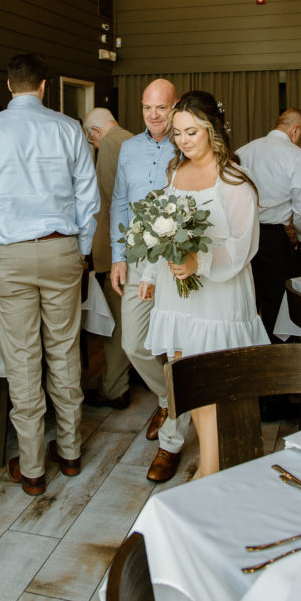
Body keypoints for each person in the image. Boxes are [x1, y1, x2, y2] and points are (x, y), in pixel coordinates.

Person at [0, 54, 99, 495]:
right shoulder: (67, 128)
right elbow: (87, 194)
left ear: (8, 86)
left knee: (22, 360)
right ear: (43, 86)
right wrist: (80, 248)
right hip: (61, 249)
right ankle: (72, 453)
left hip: (9, 254)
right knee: (64, 351)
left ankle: (35, 467)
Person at [138, 92, 269, 477]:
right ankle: (210, 464)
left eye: (191, 132)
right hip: (178, 297)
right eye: (177, 133)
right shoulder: (175, 173)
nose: (182, 140)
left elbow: (244, 246)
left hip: (217, 298)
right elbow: (161, 228)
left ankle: (210, 470)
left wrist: (199, 262)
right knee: (189, 384)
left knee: (211, 386)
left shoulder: (234, 180)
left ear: (213, 131)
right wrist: (149, 274)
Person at [110, 78, 191, 483]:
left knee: (176, 349)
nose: (154, 115)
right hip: (140, 257)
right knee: (134, 342)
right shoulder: (128, 148)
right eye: (147, 108)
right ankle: (168, 397)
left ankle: (172, 442)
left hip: (179, 261)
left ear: (175, 107)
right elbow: (120, 204)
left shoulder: (189, 144)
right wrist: (118, 257)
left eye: (161, 108)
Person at [237, 109, 301, 341]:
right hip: (273, 238)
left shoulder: (243, 150)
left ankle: (249, 356)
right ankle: (280, 361)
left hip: (243, 236)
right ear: (295, 131)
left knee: (247, 303)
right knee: (276, 304)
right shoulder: (297, 156)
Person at [82, 107, 133, 409]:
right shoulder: (130, 139)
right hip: (124, 248)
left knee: (117, 323)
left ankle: (115, 387)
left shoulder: (112, 144)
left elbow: (117, 201)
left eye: (93, 143)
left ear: (95, 132)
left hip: (117, 250)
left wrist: (118, 254)